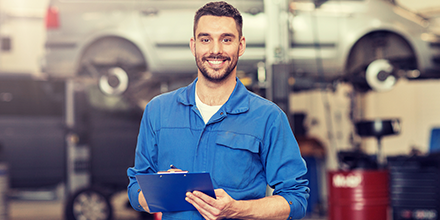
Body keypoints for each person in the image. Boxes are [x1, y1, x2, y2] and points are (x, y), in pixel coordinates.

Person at [127, 1, 309, 219]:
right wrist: (161, 190)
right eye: (206, 39)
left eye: (226, 39)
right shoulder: (157, 111)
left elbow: (296, 199)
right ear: (193, 45)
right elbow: (135, 189)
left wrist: (238, 209)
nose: (215, 50)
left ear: (241, 45)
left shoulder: (268, 117)